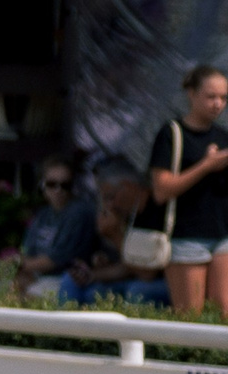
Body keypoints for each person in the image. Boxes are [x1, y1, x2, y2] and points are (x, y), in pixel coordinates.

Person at [145, 64, 228, 311]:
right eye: (211, 96)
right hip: (186, 237)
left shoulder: (223, 136)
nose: (218, 104)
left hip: (222, 234)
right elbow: (161, 190)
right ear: (191, 94)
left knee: (224, 313)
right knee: (190, 316)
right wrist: (205, 165)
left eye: (223, 98)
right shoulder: (172, 134)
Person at [58, 169, 170, 307]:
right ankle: (64, 327)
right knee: (77, 284)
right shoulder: (127, 214)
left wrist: (116, 236)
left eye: (111, 197)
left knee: (136, 290)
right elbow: (126, 268)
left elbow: (146, 274)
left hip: (161, 283)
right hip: (132, 278)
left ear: (127, 186)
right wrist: (92, 274)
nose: (109, 205)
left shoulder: (155, 211)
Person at [3, 155, 97, 296]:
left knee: (28, 293)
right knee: (13, 286)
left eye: (65, 185)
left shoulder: (79, 213)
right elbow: (29, 252)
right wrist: (20, 269)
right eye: (52, 184)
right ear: (42, 185)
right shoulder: (43, 214)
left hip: (67, 280)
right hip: (40, 277)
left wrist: (16, 264)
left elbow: (56, 261)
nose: (58, 190)